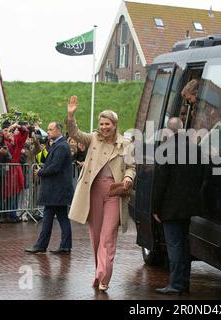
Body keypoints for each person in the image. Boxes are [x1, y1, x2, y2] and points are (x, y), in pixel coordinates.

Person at [66, 95, 136, 292]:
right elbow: (76, 134)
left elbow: (131, 166)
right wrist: (71, 116)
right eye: (102, 123)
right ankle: (99, 272)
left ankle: (104, 277)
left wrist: (129, 178)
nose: (104, 127)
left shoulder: (126, 143)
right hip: (93, 192)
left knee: (108, 237)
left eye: (108, 124)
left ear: (115, 124)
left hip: (114, 193)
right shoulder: (94, 138)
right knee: (96, 237)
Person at [152, 117, 204, 295]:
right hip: (188, 207)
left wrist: (155, 208)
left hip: (170, 208)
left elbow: (160, 183)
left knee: (174, 245)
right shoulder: (196, 149)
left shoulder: (164, 150)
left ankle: (175, 283)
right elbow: (202, 176)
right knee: (184, 244)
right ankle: (184, 282)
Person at [25, 122, 74, 254]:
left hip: (56, 190)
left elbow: (55, 167)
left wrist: (40, 172)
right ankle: (64, 246)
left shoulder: (62, 146)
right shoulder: (57, 145)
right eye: (48, 129)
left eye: (51, 129)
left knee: (50, 217)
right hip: (57, 190)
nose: (48, 132)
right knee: (61, 217)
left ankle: (42, 245)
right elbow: (48, 161)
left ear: (59, 130)